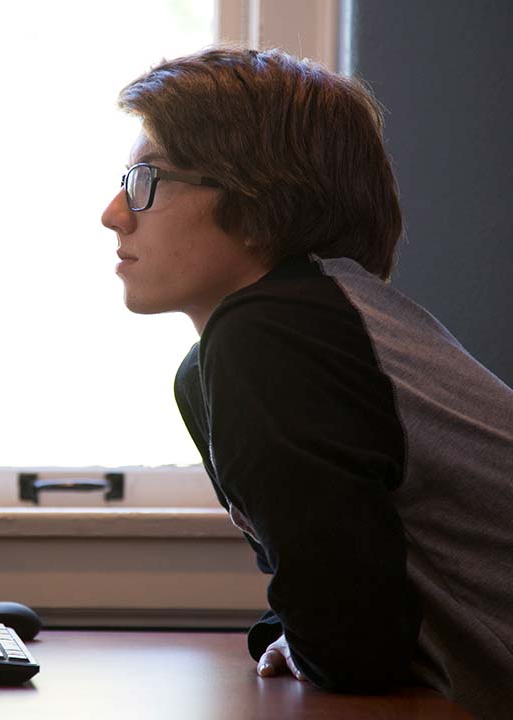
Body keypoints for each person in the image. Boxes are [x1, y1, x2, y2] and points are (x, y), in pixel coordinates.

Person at [100, 46, 513, 719]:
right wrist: (298, 634)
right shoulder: (305, 325)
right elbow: (325, 607)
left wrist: (306, 636)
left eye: (148, 180)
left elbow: (353, 647)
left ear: (261, 200)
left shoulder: (275, 336)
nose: (115, 212)